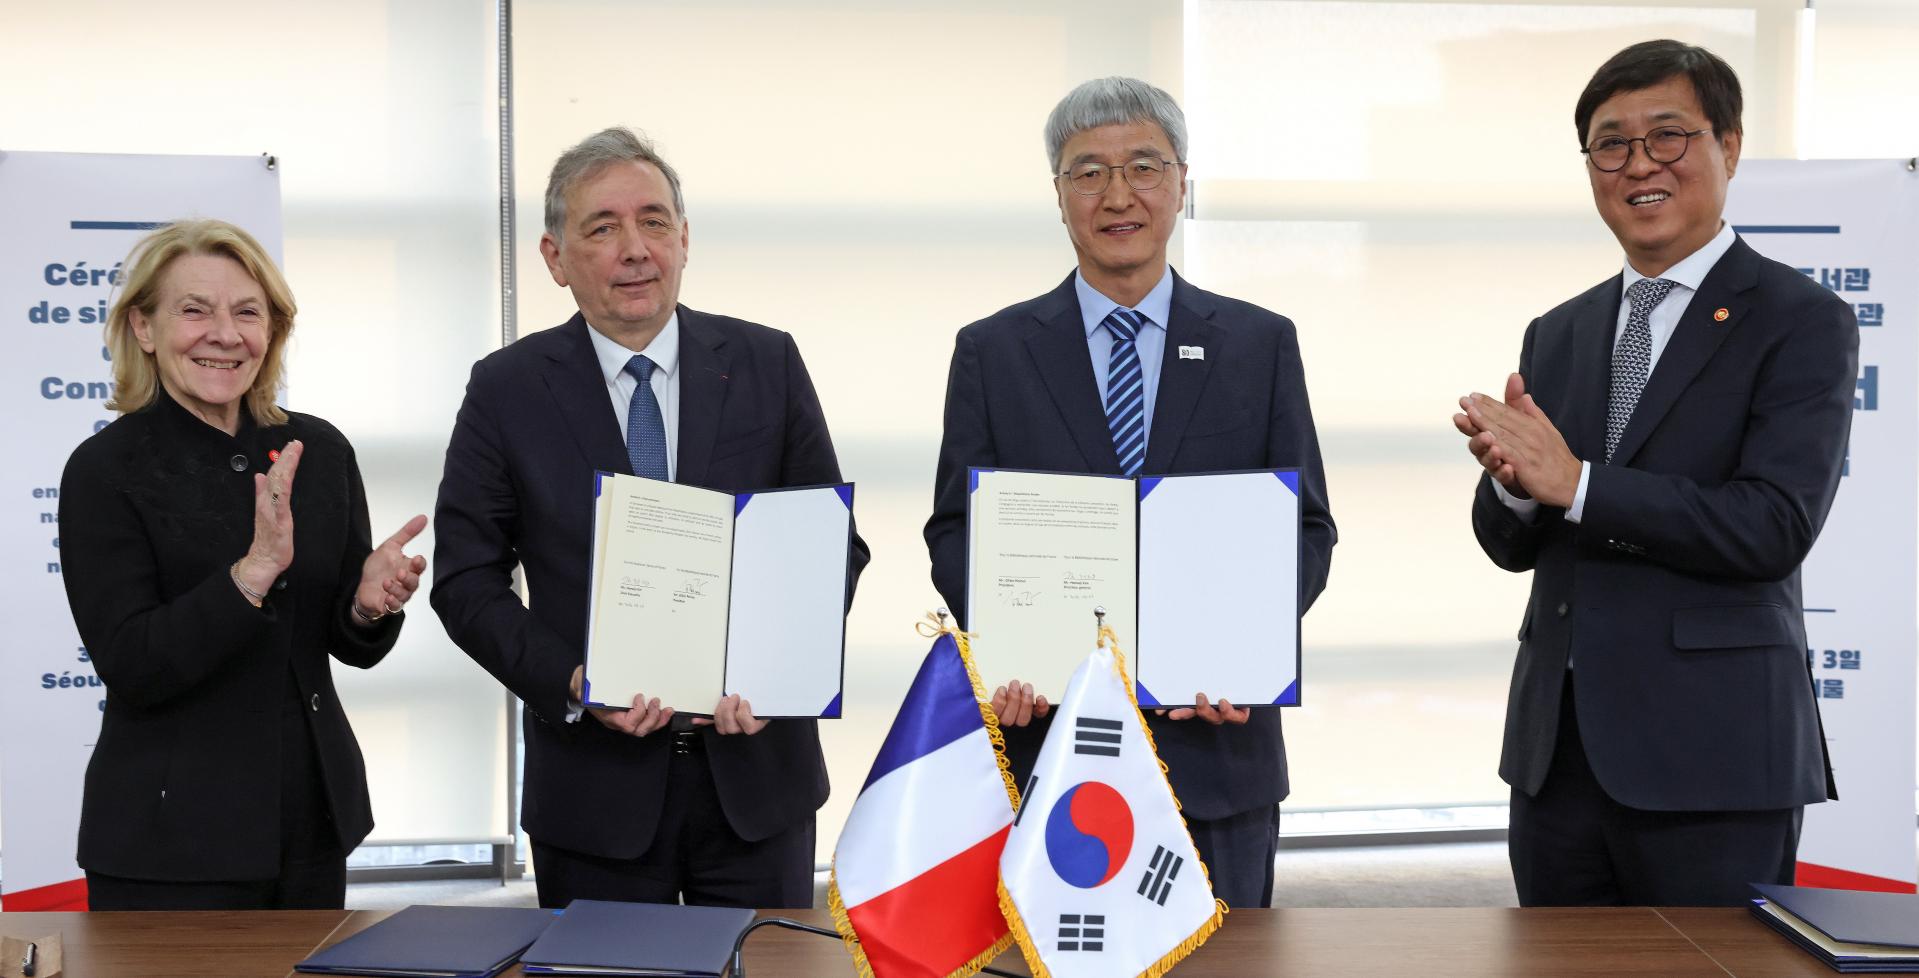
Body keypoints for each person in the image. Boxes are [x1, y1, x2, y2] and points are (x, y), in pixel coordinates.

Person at [1456, 39, 1854, 907]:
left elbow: (1772, 526)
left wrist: (1576, 484)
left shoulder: (1801, 320)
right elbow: (1512, 546)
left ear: (1729, 146)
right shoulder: (1557, 331)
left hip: (1713, 761)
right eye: (1610, 144)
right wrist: (1513, 485)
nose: (1638, 164)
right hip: (1555, 760)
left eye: (1667, 135)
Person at [923, 77, 1337, 908]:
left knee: (1229, 965)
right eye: (1088, 173)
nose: (1117, 196)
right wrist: (1012, 642)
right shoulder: (992, 352)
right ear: (1058, 195)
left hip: (1217, 751)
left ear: (1181, 183)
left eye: (1143, 167)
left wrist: (1239, 651)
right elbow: (956, 532)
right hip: (1051, 750)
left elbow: (1305, 529)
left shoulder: (1257, 344)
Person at [432, 127, 868, 909]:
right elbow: (466, 582)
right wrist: (573, 682)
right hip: (592, 798)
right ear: (555, 257)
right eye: (602, 228)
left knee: (764, 966)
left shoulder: (766, 362)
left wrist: (774, 670)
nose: (635, 249)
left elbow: (831, 546)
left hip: (756, 783)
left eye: (653, 221)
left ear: (684, 239)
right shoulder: (506, 390)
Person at [58, 219, 428, 910]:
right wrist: (251, 574)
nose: (225, 334)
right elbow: (134, 664)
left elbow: (346, 645)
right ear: (143, 327)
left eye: (248, 313)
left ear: (273, 330)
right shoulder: (104, 470)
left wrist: (365, 606)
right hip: (169, 842)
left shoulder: (319, 450)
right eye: (195, 310)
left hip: (310, 824)